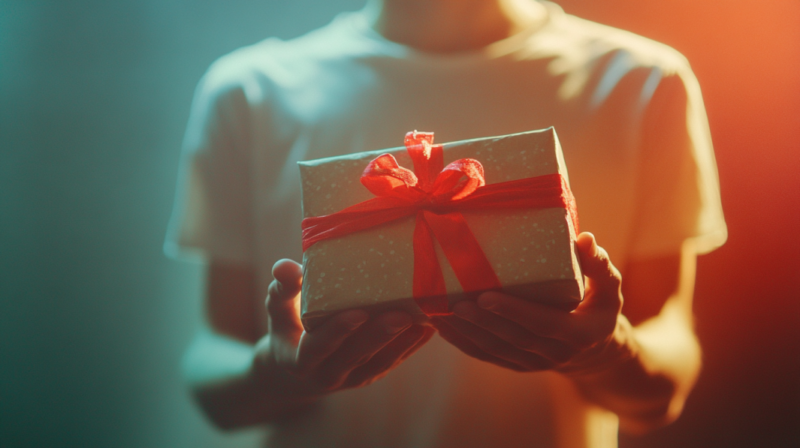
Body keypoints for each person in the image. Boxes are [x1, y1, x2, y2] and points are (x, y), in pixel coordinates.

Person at [165, 0, 727, 446]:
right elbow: (215, 371)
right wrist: (276, 371)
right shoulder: (251, 92)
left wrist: (609, 351)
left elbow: (663, 388)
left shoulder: (643, 82)